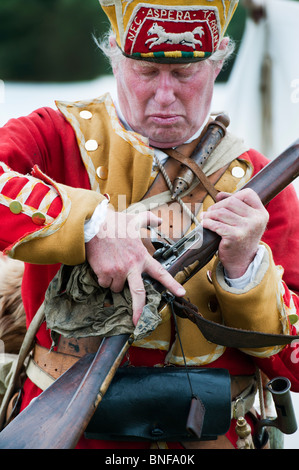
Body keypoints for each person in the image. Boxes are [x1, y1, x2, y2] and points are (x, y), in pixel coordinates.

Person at [0, 0, 299, 449]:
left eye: (183, 74)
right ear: (116, 61)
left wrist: (245, 272)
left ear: (217, 66)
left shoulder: (258, 184)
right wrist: (90, 225)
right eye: (145, 71)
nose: (164, 95)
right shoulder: (55, 136)